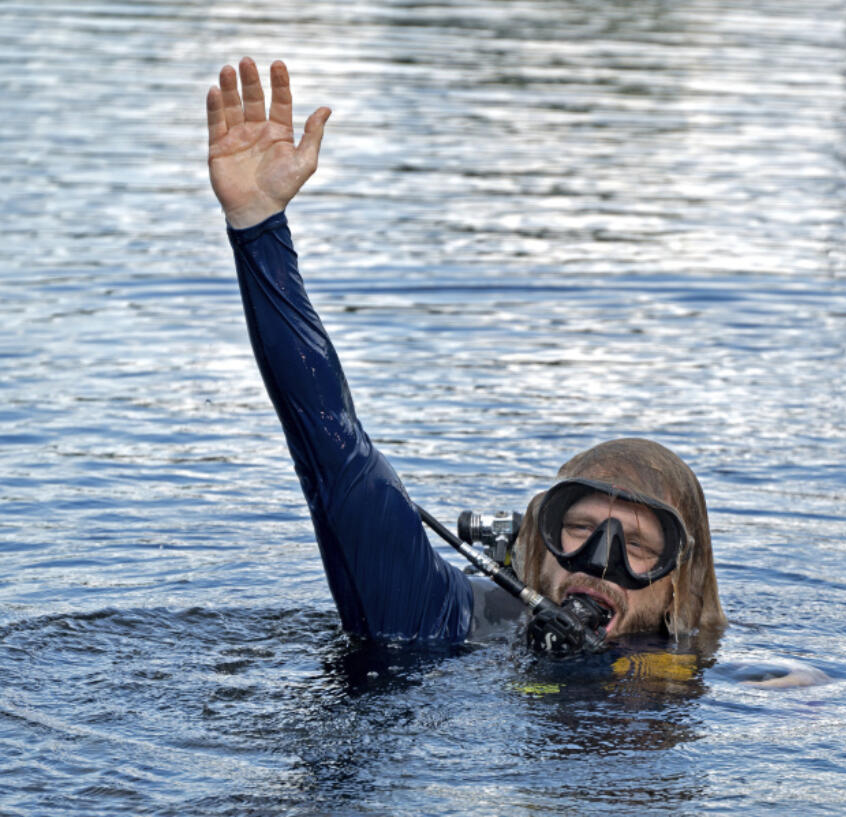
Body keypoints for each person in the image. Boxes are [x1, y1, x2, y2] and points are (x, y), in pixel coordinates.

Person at [206, 58, 725, 648]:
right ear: (537, 543)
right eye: (578, 529)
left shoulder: (735, 683)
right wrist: (259, 227)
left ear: (679, 585)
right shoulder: (450, 621)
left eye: (637, 547)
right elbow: (335, 450)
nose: (599, 563)